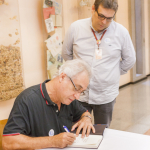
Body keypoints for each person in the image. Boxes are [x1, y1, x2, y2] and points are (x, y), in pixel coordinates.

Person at [62, 0, 136, 127]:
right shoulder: (76, 28)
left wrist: (114, 73)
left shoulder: (121, 32)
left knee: (102, 131)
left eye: (109, 18)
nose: (104, 22)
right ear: (93, 9)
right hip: (79, 93)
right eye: (101, 16)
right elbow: (66, 54)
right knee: (77, 130)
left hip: (105, 95)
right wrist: (76, 74)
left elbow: (130, 59)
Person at [2, 59, 95, 150]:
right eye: (76, 88)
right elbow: (7, 142)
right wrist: (52, 141)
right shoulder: (27, 100)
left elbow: (84, 113)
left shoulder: (68, 99)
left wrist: (87, 118)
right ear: (62, 77)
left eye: (81, 92)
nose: (77, 96)